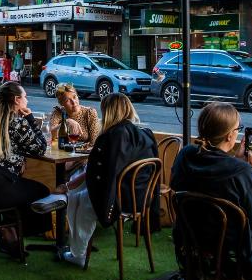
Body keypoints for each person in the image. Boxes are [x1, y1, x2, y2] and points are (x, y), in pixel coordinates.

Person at [170, 102, 252, 280]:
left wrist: (237, 162)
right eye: (238, 128)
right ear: (230, 135)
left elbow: (207, 169)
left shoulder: (186, 156)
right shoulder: (241, 171)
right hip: (235, 261)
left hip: (190, 252)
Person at [32, 93, 158, 267]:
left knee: (79, 201)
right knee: (77, 195)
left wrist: (69, 185)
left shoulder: (113, 136)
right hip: (141, 196)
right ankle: (74, 241)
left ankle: (78, 254)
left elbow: (102, 173)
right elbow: (102, 171)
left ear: (109, 111)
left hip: (120, 199)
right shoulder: (145, 134)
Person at [0, 81, 50, 257]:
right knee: (41, 190)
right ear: (16, 100)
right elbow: (41, 148)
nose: (27, 100)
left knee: (20, 188)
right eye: (25, 97)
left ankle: (10, 234)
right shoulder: (17, 121)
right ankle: (11, 232)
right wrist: (30, 118)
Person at [48, 83, 101, 147]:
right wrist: (67, 122)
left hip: (83, 154)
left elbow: (94, 143)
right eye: (68, 100)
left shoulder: (89, 113)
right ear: (61, 103)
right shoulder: (58, 112)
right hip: (63, 153)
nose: (73, 102)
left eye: (74, 97)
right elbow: (51, 135)